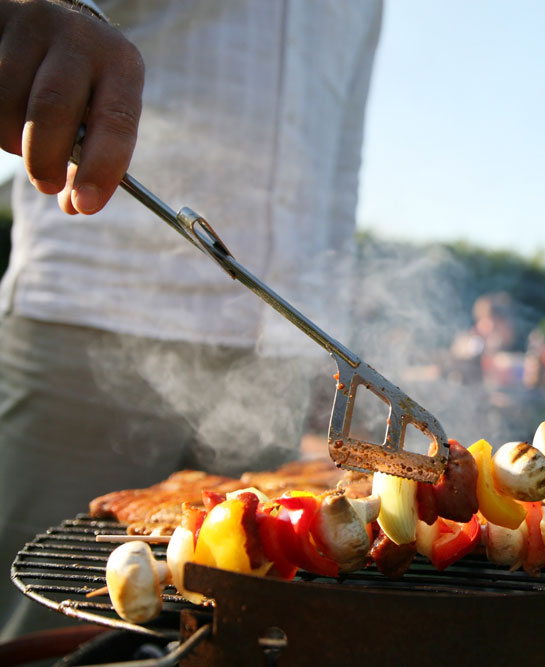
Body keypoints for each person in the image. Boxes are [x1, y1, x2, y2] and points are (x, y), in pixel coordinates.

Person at [0, 0, 382, 640]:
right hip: (96, 308)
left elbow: (339, 157)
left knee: (245, 638)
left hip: (275, 350)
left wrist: (321, 333)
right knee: (42, 633)